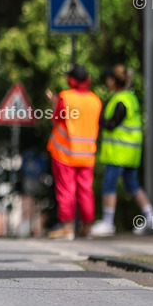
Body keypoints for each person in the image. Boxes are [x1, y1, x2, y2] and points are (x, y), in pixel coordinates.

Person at [91, 65, 153, 236]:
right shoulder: (131, 98)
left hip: (119, 152)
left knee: (109, 184)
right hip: (131, 152)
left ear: (114, 81)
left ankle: (107, 223)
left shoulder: (120, 100)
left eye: (109, 78)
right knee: (131, 184)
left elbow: (112, 124)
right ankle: (150, 217)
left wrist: (99, 117)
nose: (107, 81)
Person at [46, 64, 103, 240]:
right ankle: (87, 227)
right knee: (86, 190)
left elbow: (56, 119)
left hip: (65, 153)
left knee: (66, 190)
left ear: (71, 80)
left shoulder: (65, 97)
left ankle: (67, 228)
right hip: (87, 154)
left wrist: (54, 102)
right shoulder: (96, 100)